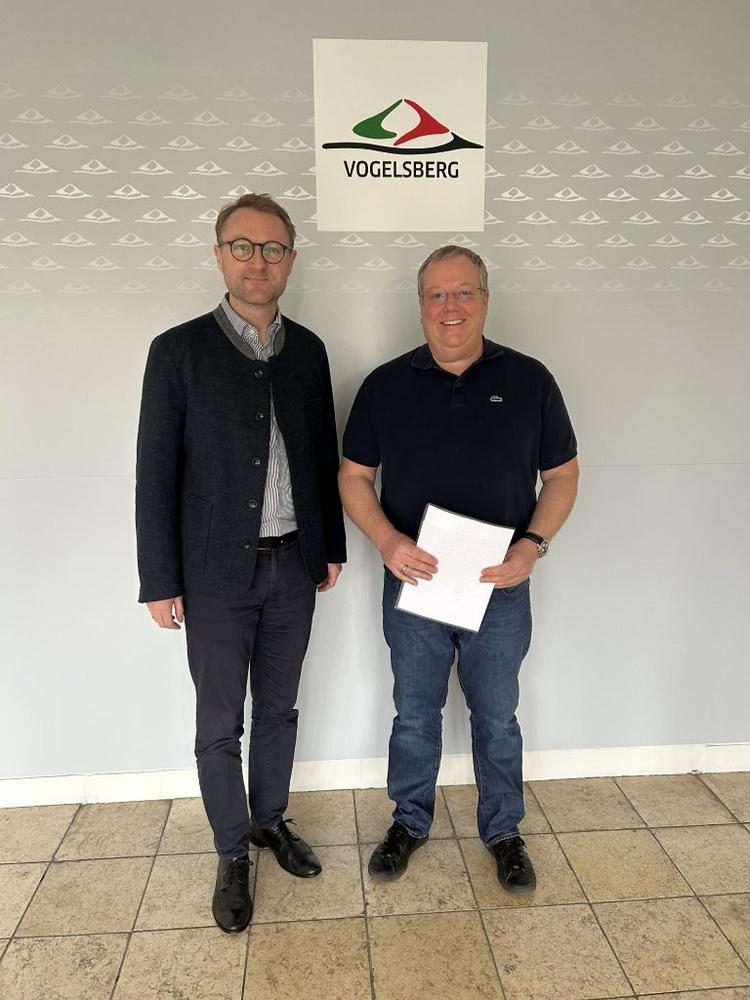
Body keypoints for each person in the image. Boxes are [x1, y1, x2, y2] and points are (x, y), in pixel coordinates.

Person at [136, 193, 346, 933]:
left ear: (291, 259)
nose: (259, 261)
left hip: (295, 566)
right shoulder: (178, 351)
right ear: (220, 255)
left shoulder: (309, 351)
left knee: (280, 710)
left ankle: (270, 821)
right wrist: (159, 580)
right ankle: (232, 851)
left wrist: (330, 547)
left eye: (273, 248)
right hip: (213, 575)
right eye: (243, 247)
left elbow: (321, 457)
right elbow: (155, 473)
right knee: (219, 721)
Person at [338, 245, 578, 893]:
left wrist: (532, 546)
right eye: (437, 294)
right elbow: (354, 476)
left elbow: (562, 476)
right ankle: (408, 822)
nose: (451, 306)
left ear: (486, 300)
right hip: (414, 579)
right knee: (414, 714)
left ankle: (504, 832)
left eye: (464, 292)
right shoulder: (384, 386)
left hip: (497, 587)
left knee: (496, 717)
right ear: (421, 306)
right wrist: (386, 540)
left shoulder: (530, 381)